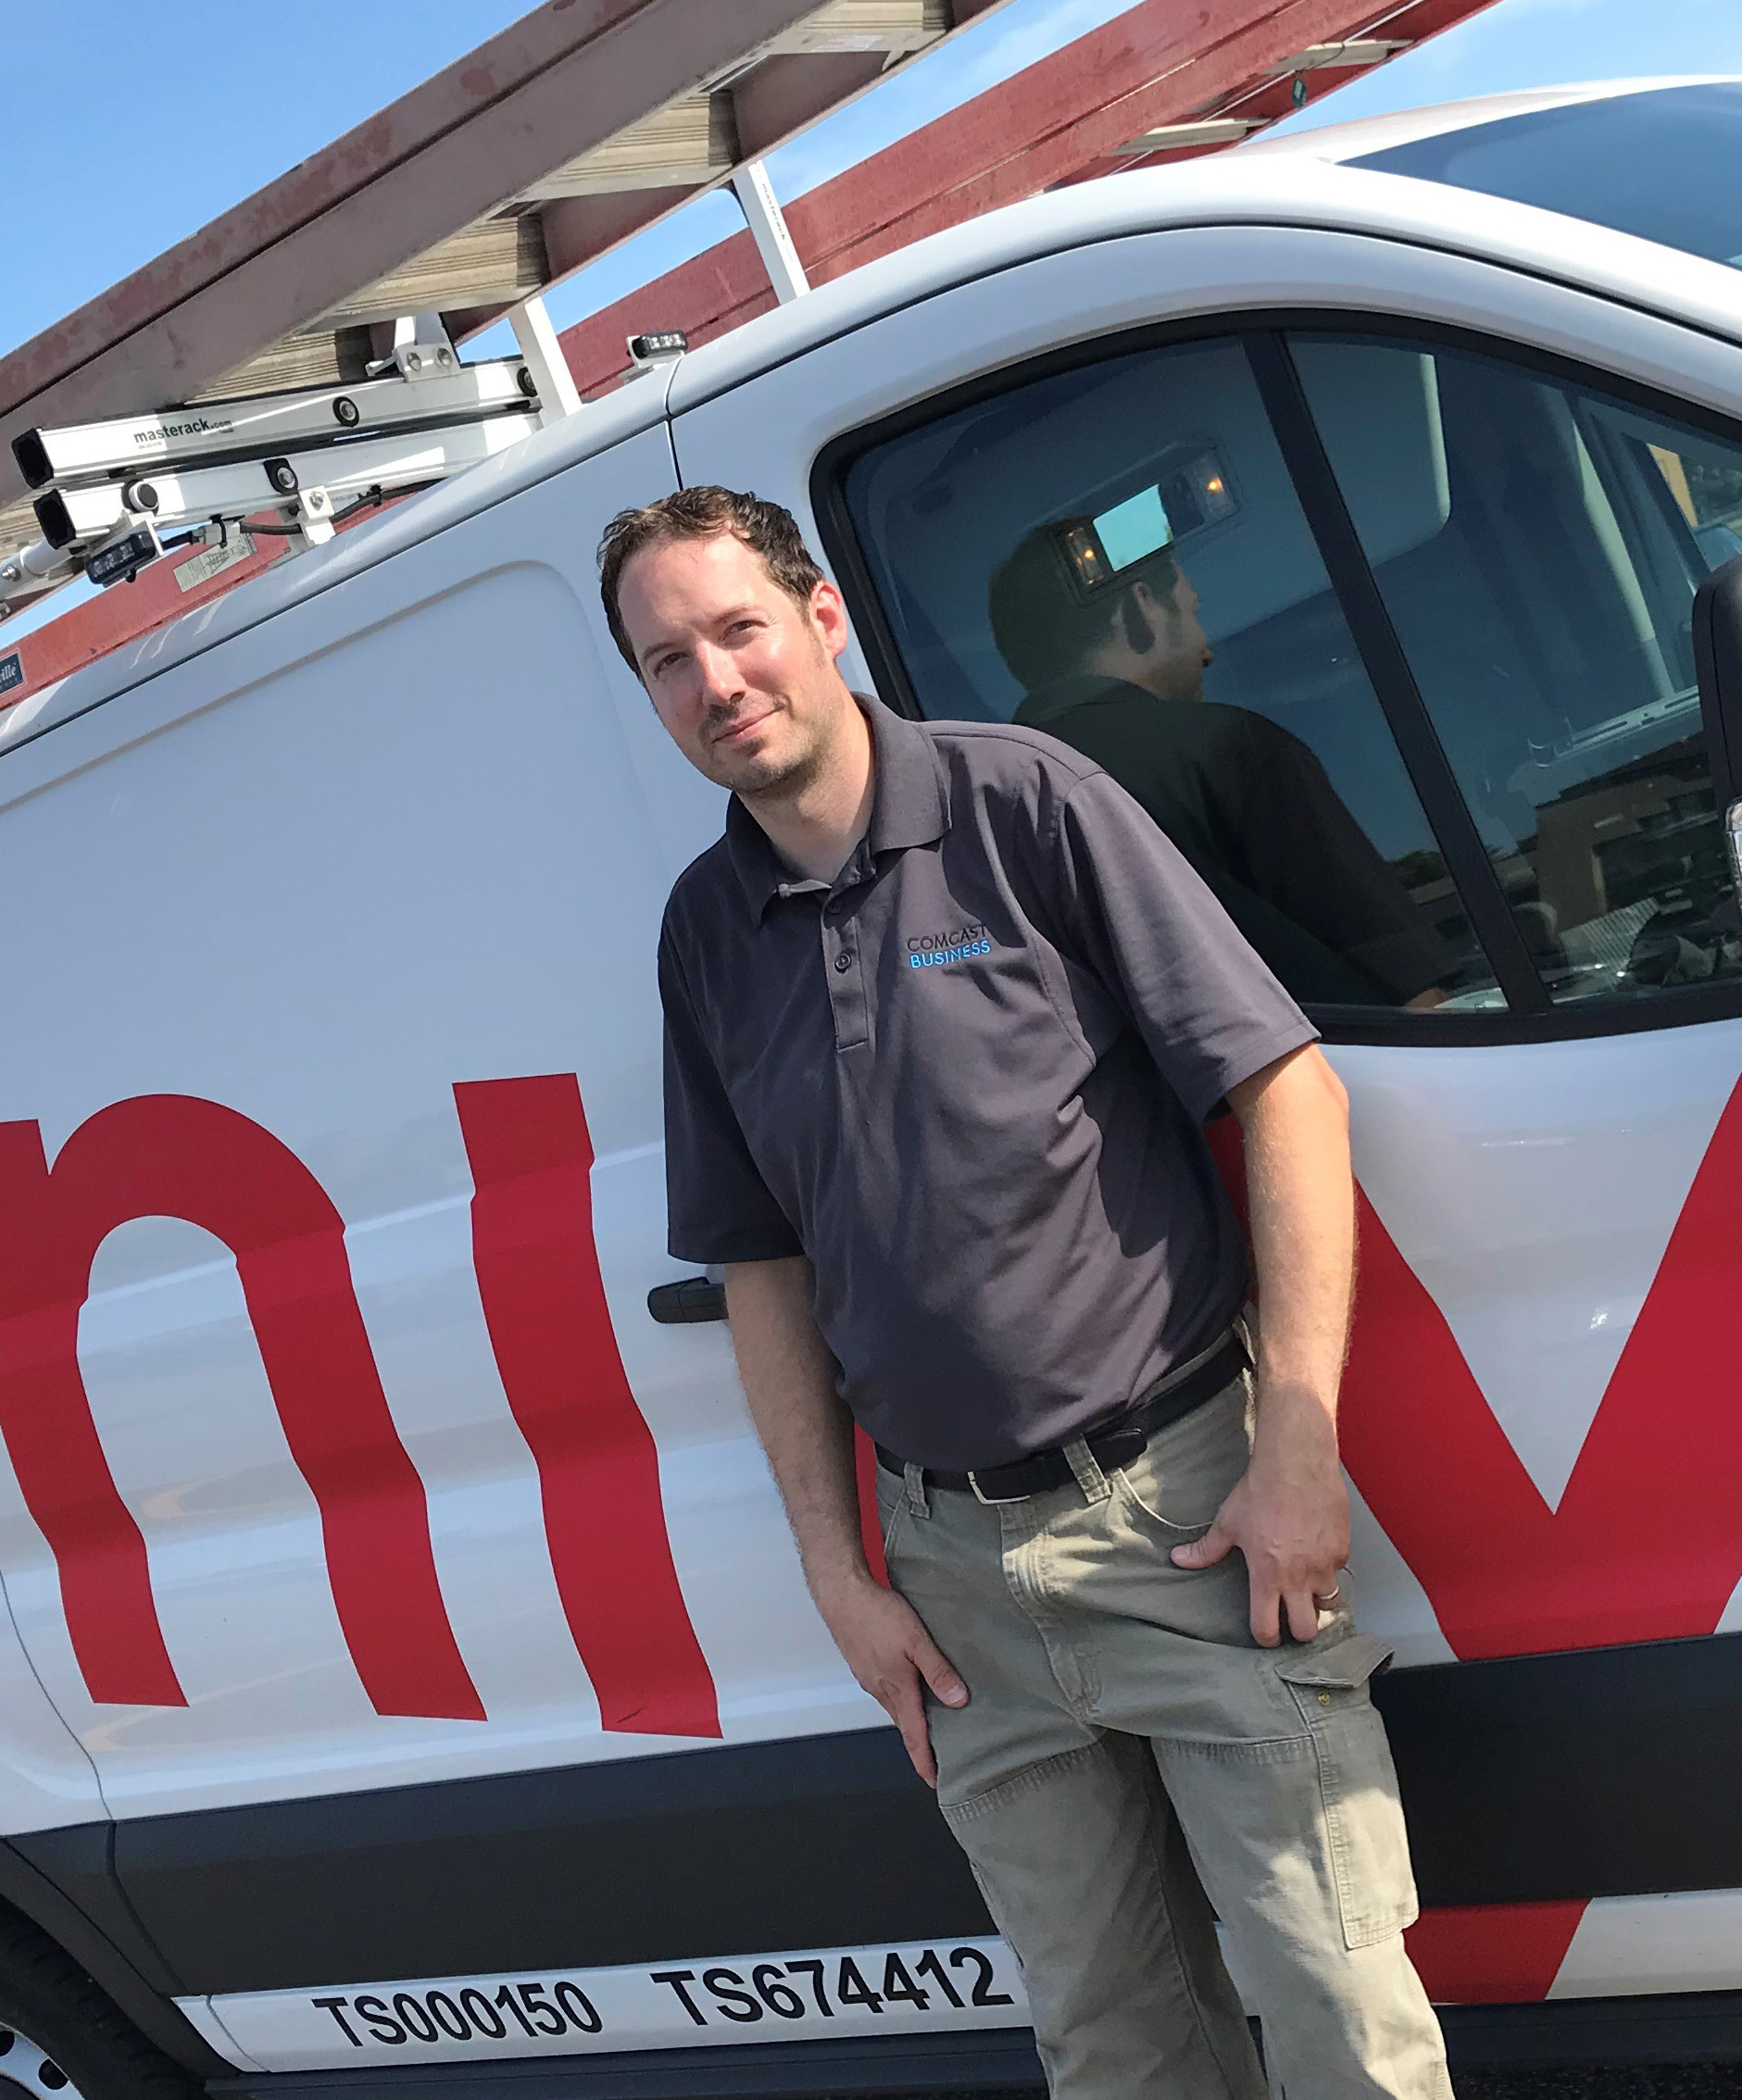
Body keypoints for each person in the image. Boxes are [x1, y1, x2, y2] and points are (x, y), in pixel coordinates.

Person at [604, 485, 1450, 2100]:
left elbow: (1285, 1089)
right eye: (666, 660)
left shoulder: (1026, 803)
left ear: (820, 617)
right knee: (1111, 2050)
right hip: (949, 1578)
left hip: (1186, 1514)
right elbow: (758, 1260)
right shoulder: (704, 933)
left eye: (736, 629)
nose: (714, 682)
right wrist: (838, 1571)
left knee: (1338, 2013)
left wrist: (1297, 1444)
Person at [988, 527, 1460, 1012]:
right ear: (1143, 607)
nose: (1207, 651)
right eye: (1194, 613)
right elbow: (1415, 1008)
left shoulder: (975, 809)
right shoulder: (1235, 749)